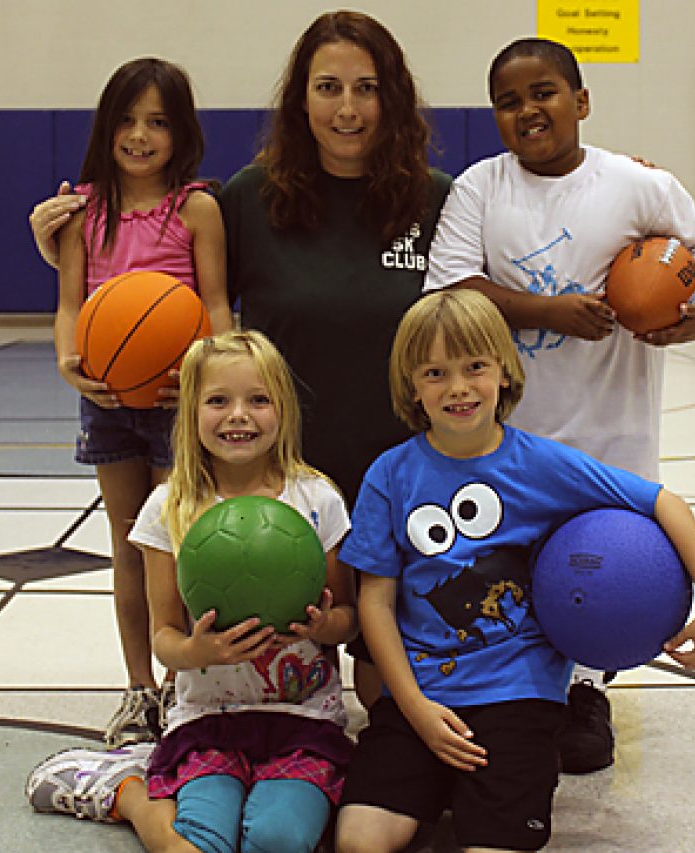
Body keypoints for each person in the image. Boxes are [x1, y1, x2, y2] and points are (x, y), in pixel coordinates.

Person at [29, 11, 452, 708]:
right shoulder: (249, 199)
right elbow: (170, 295)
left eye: (366, 88)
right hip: (278, 476)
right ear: (299, 99)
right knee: (273, 667)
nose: (347, 108)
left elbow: (501, 266)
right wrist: (66, 261)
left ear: (395, 98)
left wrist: (619, 185)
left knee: (390, 691)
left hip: (397, 474)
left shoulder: (437, 199)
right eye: (327, 87)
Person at [333, 289, 695, 853]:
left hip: (516, 695)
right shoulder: (390, 474)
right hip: (422, 694)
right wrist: (411, 706)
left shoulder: (543, 465)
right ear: (412, 386)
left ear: (503, 370)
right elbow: (376, 601)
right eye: (436, 373)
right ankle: (438, 779)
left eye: (475, 367)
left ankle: (510, 772)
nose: (459, 388)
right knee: (360, 847)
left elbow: (662, 502)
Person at [423, 37, 695, 774]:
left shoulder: (635, 184)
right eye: (509, 101)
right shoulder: (478, 189)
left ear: (581, 101)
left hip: (609, 429)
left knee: (597, 571)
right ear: (495, 116)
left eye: (544, 94)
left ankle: (589, 689)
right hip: (511, 432)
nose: (528, 110)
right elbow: (448, 287)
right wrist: (546, 311)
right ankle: (520, 690)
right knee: (511, 569)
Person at [26, 330, 357, 853]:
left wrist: (324, 624)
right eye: (218, 400)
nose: (239, 416)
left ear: (284, 408)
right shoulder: (170, 506)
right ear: (191, 410)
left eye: (259, 399)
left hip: (304, 721)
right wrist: (197, 650)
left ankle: (265, 800)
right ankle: (124, 790)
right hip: (208, 722)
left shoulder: (316, 499)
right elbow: (164, 638)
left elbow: (348, 615)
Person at [51, 57, 233, 748]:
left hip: (177, 404)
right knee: (127, 550)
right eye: (127, 120)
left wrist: (204, 374)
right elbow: (70, 306)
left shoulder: (197, 208)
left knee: (179, 551)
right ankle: (137, 692)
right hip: (106, 402)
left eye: (157, 121)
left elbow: (217, 305)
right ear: (107, 127)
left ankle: (187, 685)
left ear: (180, 131)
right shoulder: (82, 213)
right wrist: (70, 365)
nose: (140, 135)